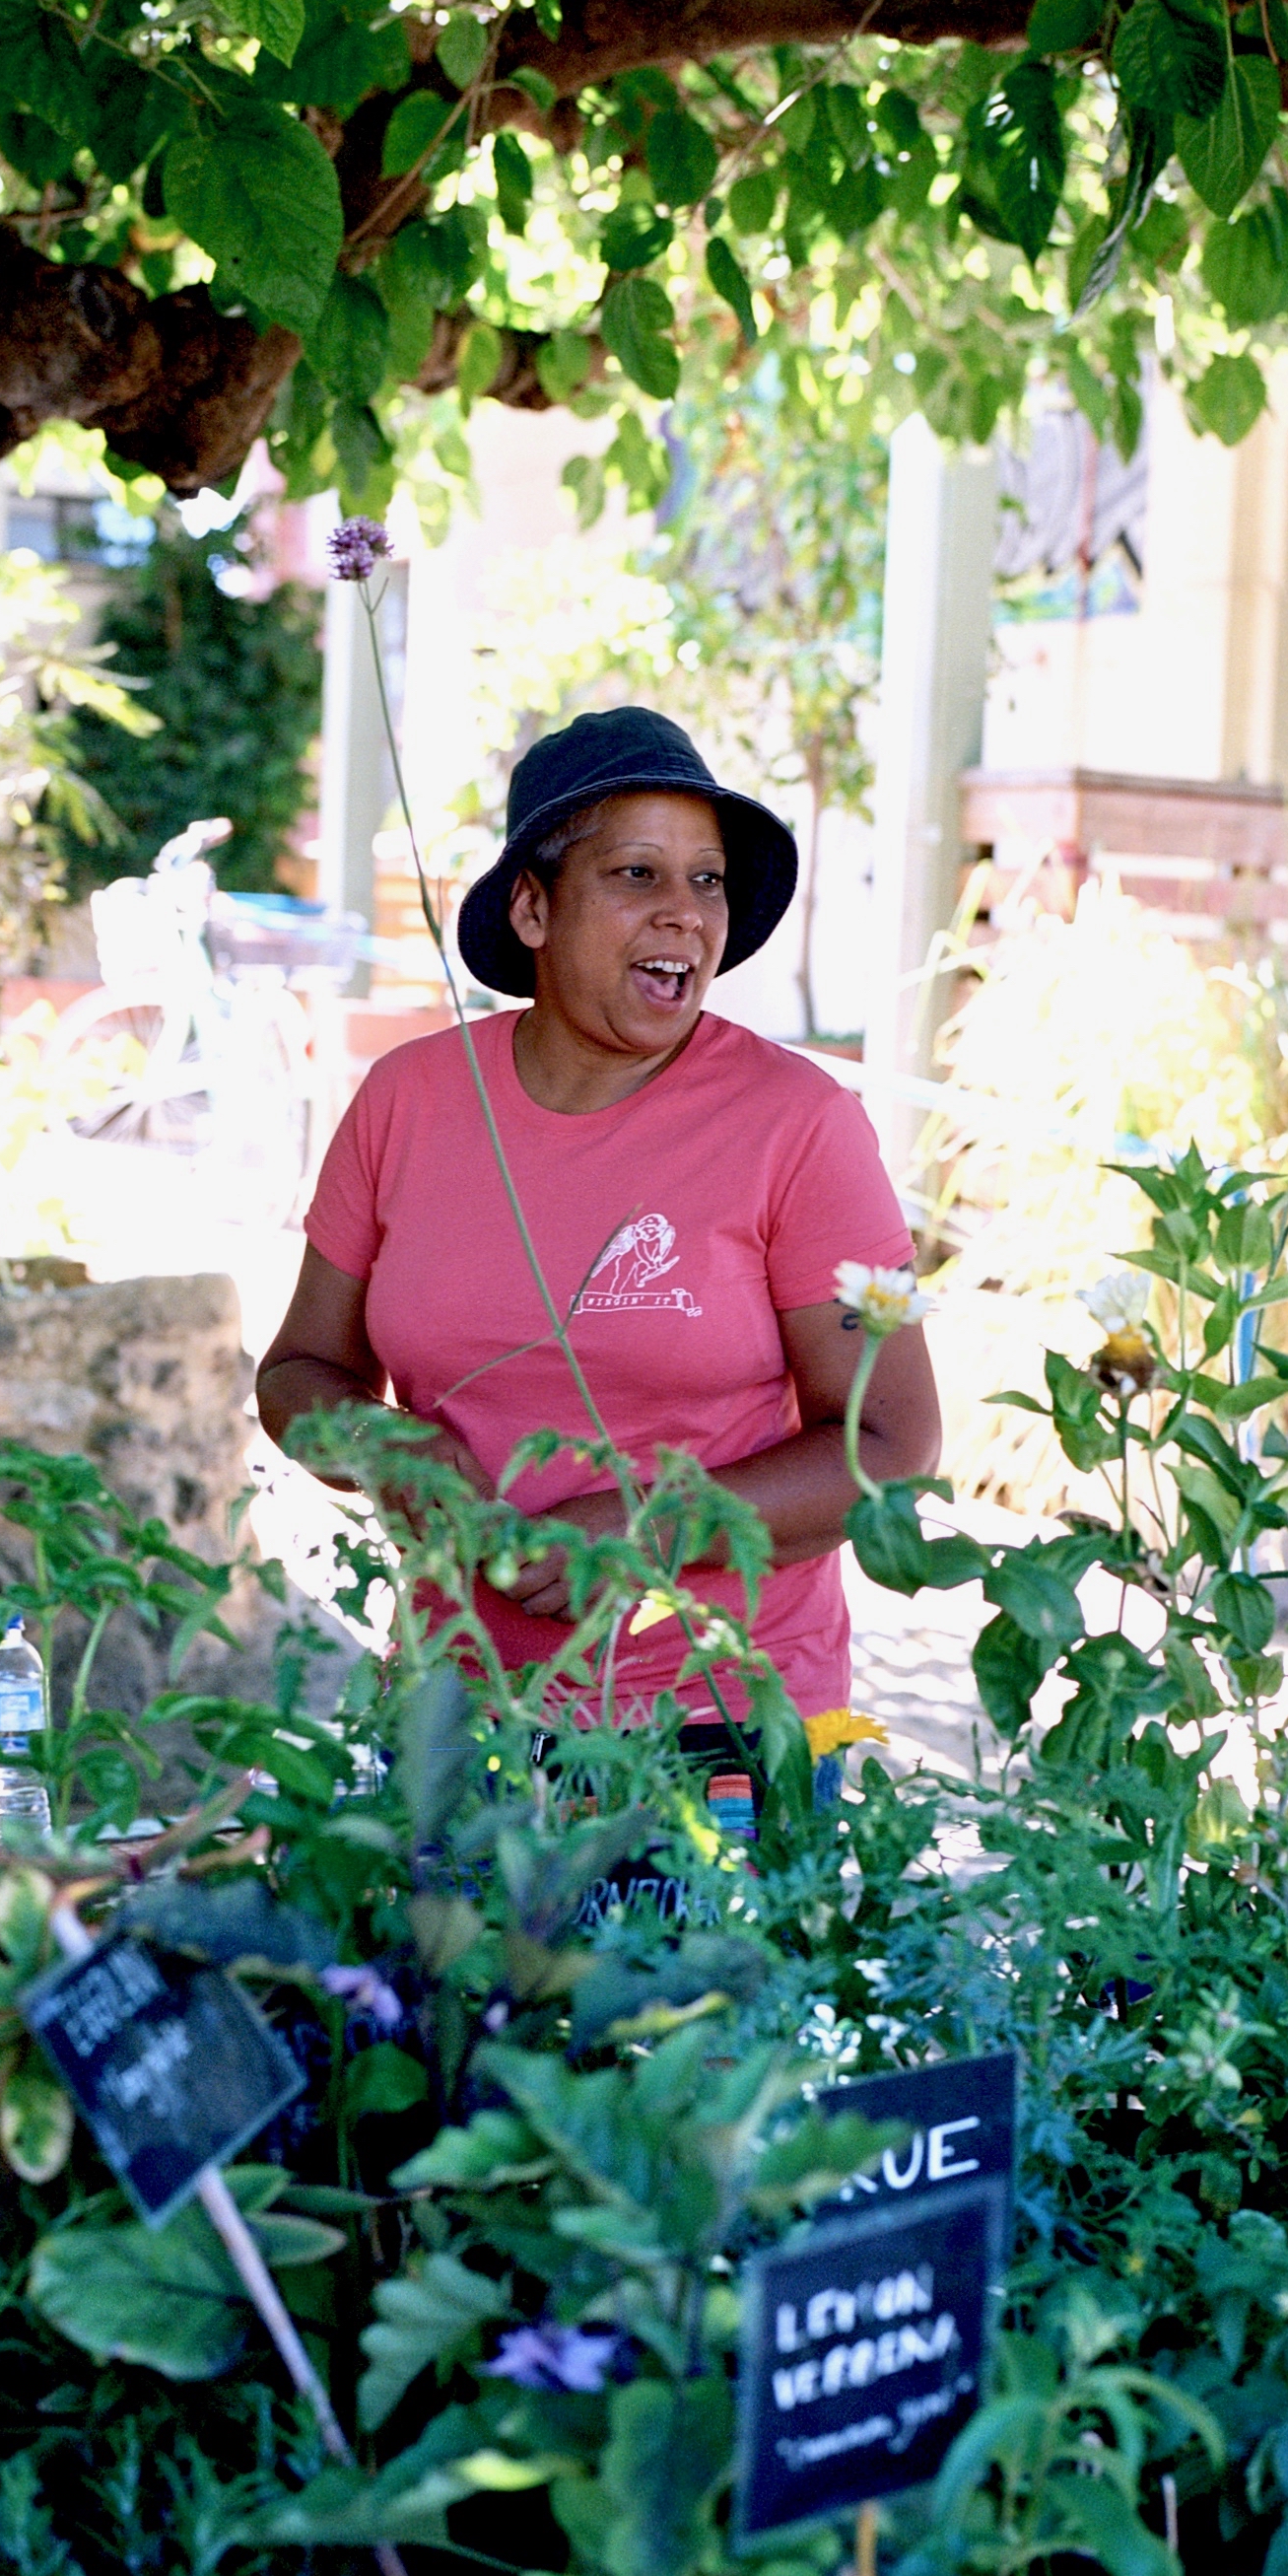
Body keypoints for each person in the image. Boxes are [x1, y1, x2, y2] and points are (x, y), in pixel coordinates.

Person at [256, 707, 940, 1784]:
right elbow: (298, 1374)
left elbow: (891, 1447)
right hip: (457, 1705)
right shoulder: (409, 1103)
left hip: (721, 1726)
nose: (685, 914)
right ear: (533, 906)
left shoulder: (799, 1124)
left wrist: (647, 1528)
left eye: (707, 881)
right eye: (636, 875)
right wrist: (395, 1449)